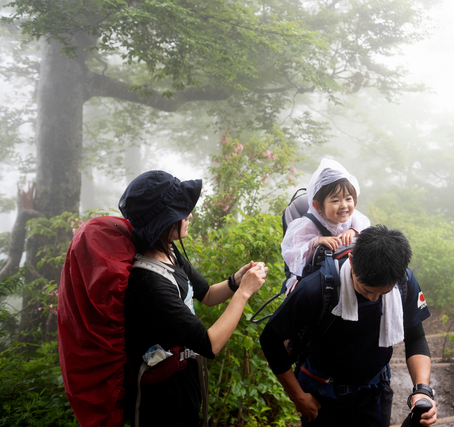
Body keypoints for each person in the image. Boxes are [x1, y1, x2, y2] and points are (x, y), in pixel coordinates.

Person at [119, 170, 268, 427]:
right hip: (162, 398)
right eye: (180, 211)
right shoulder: (149, 283)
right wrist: (244, 292)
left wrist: (236, 279)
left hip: (183, 380)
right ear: (161, 220)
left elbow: (207, 294)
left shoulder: (169, 252)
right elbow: (210, 344)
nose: (188, 216)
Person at [261, 225, 438, 427]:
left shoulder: (404, 283)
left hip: (374, 393)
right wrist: (298, 396)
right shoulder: (317, 289)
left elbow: (415, 338)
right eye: (365, 290)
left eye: (382, 293)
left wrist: (422, 390)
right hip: (322, 397)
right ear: (352, 261)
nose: (373, 298)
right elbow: (270, 339)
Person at [281, 158, 370, 292]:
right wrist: (316, 241)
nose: (344, 205)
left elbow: (366, 227)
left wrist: (353, 230)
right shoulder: (308, 225)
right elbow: (292, 254)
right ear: (318, 206)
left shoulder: (353, 218)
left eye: (348, 198)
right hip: (316, 279)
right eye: (335, 200)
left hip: (347, 274)